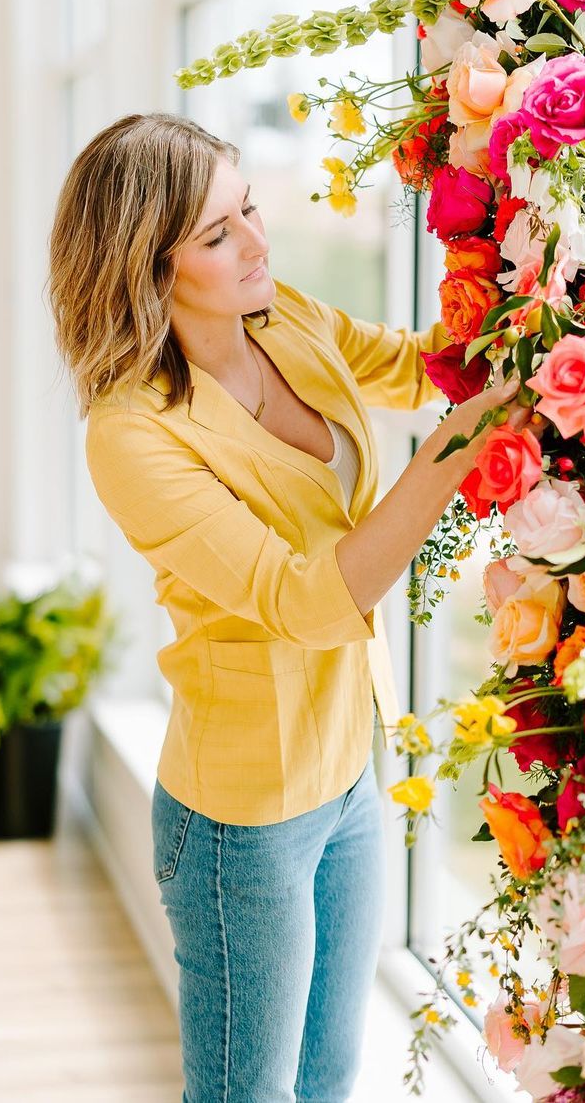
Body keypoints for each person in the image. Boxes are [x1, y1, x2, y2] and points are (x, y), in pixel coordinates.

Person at [47, 111, 522, 1102]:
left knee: (327, 1079)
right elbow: (307, 600)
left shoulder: (286, 318)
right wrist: (459, 444)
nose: (258, 241)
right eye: (218, 234)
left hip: (347, 769)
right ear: (148, 265)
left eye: (249, 207)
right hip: (242, 816)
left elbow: (415, 358)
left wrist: (538, 310)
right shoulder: (131, 434)